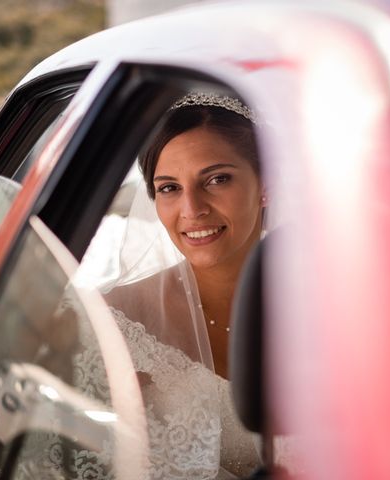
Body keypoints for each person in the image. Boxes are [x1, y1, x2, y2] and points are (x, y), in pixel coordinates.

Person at [16, 92, 268, 480]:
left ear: (266, 185)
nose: (192, 209)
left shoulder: (349, 311)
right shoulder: (110, 326)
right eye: (169, 187)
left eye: (217, 179)